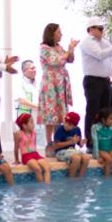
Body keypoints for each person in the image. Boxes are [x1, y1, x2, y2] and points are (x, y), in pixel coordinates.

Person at [79, 16, 112, 144]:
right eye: (100, 28)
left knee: (104, 111)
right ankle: (90, 139)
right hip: (93, 80)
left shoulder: (104, 41)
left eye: (103, 28)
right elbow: (101, 55)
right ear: (91, 29)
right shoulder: (87, 42)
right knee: (93, 110)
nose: (102, 31)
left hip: (105, 80)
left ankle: (102, 138)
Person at [38, 23, 78, 151]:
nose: (61, 34)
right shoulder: (44, 47)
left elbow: (70, 60)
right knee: (51, 114)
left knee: (60, 114)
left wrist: (71, 49)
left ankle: (58, 140)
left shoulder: (59, 47)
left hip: (61, 83)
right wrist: (67, 52)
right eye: (59, 32)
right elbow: (57, 61)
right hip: (50, 83)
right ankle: (49, 143)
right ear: (52, 34)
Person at [52, 111, 90, 178]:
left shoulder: (77, 130)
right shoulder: (59, 129)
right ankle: (71, 178)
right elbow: (55, 146)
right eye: (65, 122)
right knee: (76, 158)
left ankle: (80, 178)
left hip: (72, 151)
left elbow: (79, 144)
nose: (66, 124)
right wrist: (70, 142)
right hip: (60, 152)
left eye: (69, 124)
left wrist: (82, 143)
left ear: (74, 126)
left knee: (86, 158)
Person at [16, 113, 50, 184]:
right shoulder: (19, 134)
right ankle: (41, 189)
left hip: (35, 154)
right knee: (38, 169)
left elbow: (34, 146)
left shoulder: (34, 133)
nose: (34, 124)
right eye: (31, 122)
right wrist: (17, 160)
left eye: (33, 122)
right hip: (26, 156)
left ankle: (47, 189)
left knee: (47, 168)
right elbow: (16, 148)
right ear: (24, 125)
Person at [15, 60, 44, 146]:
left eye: (35, 68)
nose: (34, 70)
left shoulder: (38, 82)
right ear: (24, 71)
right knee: (26, 143)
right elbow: (21, 100)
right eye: (32, 68)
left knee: (40, 143)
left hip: (38, 117)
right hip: (25, 117)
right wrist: (37, 106)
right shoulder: (20, 82)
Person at [91, 108, 112, 176]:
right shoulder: (95, 127)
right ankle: (107, 180)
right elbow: (95, 143)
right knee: (109, 160)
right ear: (103, 120)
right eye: (110, 119)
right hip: (101, 150)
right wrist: (97, 157)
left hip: (109, 149)